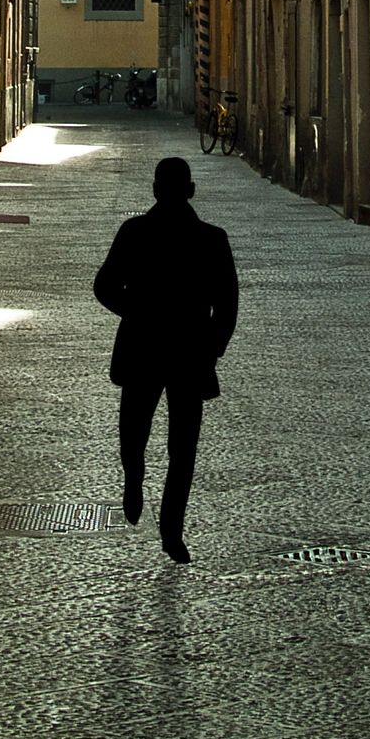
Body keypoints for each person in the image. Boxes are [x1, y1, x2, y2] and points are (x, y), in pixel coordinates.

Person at [93, 156, 238, 564]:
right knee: (183, 448)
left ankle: (133, 480)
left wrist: (135, 311)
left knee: (133, 432)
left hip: (142, 346)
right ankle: (172, 530)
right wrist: (213, 345)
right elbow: (228, 305)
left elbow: (104, 286)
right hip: (191, 352)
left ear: (155, 190)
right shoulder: (213, 239)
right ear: (191, 191)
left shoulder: (134, 232)